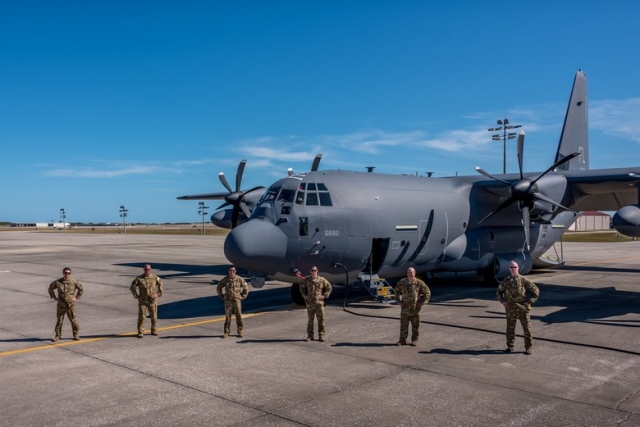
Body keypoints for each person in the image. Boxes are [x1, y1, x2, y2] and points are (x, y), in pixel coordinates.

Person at [497, 261, 540, 355]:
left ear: (518, 268)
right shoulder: (506, 281)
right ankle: (510, 346)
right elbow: (499, 291)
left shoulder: (523, 280)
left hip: (522, 307)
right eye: (511, 267)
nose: (513, 269)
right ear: (509, 268)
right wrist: (502, 301)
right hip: (510, 308)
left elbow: (536, 290)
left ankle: (528, 347)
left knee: (526, 328)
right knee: (510, 328)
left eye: (515, 267)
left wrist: (529, 302)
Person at [393, 267, 430, 346]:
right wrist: (398, 301)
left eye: (411, 273)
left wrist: (422, 302)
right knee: (403, 325)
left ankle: (414, 340)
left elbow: (427, 292)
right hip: (405, 308)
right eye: (408, 273)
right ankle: (402, 340)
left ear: (414, 273)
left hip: (415, 309)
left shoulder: (419, 283)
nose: (410, 274)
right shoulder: (402, 282)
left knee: (415, 325)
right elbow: (396, 290)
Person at [48, 267, 84, 342]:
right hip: (61, 305)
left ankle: (76, 334)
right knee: (59, 321)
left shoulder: (73, 281)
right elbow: (50, 288)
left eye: (68, 273)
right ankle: (57, 335)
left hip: (70, 305)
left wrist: (76, 298)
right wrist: (54, 297)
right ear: (63, 273)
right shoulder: (58, 282)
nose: (67, 274)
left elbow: (81, 289)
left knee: (73, 320)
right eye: (65, 273)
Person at [299, 266, 332, 342]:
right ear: (310, 271)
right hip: (310, 303)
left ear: (317, 271)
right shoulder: (307, 280)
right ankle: (310, 336)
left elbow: (329, 287)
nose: (313, 272)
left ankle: (322, 335)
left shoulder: (321, 280)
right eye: (312, 270)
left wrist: (324, 295)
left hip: (319, 303)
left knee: (321, 320)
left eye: (315, 270)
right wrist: (305, 296)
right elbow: (301, 287)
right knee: (310, 320)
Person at [130, 264, 164, 338]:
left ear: (150, 270)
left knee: (154, 316)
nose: (147, 271)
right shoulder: (139, 279)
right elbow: (132, 287)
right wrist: (136, 296)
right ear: (143, 269)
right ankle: (140, 332)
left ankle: (154, 330)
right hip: (143, 301)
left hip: (152, 300)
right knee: (142, 316)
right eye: (146, 269)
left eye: (148, 269)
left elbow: (161, 284)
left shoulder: (154, 277)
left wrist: (158, 294)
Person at [217, 265, 249, 338]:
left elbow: (246, 288)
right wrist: (221, 296)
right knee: (228, 317)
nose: (232, 272)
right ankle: (226, 332)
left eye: (233, 271)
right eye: (230, 271)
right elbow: (219, 287)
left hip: (236, 300)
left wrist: (243, 296)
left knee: (239, 316)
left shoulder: (239, 279)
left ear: (235, 271)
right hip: (228, 301)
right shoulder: (225, 280)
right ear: (228, 271)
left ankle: (240, 330)